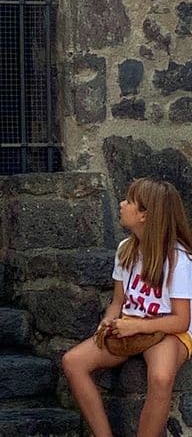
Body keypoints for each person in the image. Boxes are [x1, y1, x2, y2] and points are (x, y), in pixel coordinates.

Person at [62, 178, 192, 437]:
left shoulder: (178, 259)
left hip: (167, 331)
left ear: (145, 214)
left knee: (161, 378)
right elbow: (118, 302)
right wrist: (108, 322)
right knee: (73, 362)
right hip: (130, 325)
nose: (121, 204)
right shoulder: (125, 249)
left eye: (129, 201)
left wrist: (137, 326)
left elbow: (180, 321)